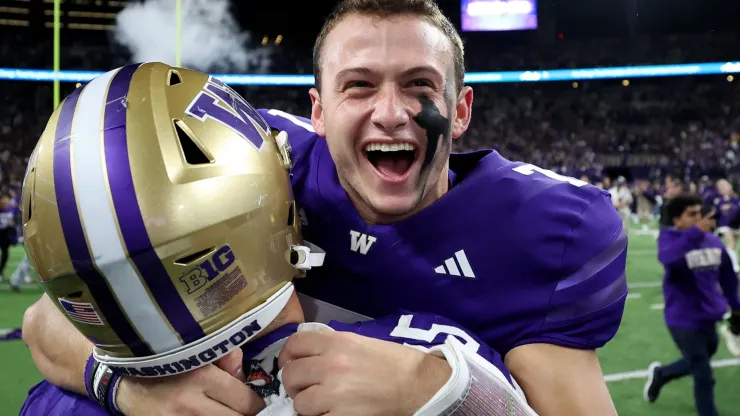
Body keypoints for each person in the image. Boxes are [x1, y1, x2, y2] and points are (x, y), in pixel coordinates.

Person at [22, 1, 628, 414]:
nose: (391, 112)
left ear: (461, 110)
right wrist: (128, 389)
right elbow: (48, 323)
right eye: (359, 85)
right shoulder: (249, 168)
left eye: (420, 86)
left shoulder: (542, 228)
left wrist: (436, 387)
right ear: (318, 111)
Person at [645, 194, 740, 416]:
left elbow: (727, 278)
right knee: (703, 372)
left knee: (699, 359)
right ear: (678, 220)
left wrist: (736, 306)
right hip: (682, 319)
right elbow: (669, 259)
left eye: (700, 213)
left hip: (709, 316)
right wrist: (696, 233)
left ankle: (661, 375)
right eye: (692, 214)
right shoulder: (669, 239)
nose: (700, 218)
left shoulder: (714, 241)